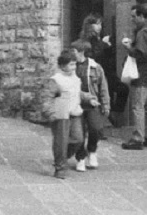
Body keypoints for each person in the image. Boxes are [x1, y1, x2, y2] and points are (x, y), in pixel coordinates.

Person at [121, 4, 147, 150]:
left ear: (141, 16)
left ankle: (138, 138)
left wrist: (129, 48)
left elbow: (141, 54)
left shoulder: (142, 33)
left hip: (142, 74)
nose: (132, 19)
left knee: (138, 106)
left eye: (134, 16)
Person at [41, 49, 84, 179]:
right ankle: (60, 167)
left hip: (75, 112)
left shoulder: (75, 78)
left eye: (75, 64)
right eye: (71, 64)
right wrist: (49, 112)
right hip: (61, 115)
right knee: (61, 141)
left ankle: (63, 157)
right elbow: (47, 97)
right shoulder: (56, 80)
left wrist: (88, 98)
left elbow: (77, 93)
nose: (74, 67)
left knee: (78, 139)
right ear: (62, 65)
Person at [70, 38, 111, 170]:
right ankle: (80, 158)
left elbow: (103, 87)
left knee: (96, 129)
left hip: (92, 103)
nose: (72, 53)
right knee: (79, 133)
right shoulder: (71, 67)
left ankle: (92, 151)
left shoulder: (95, 67)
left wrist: (105, 104)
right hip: (77, 104)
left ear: (81, 51)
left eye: (74, 51)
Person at [79, 13, 121, 119]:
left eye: (100, 24)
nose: (100, 27)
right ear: (90, 25)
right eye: (97, 24)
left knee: (119, 90)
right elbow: (94, 54)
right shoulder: (89, 38)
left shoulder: (97, 38)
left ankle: (112, 115)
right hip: (96, 72)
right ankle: (109, 117)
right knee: (105, 94)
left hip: (104, 71)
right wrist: (104, 44)